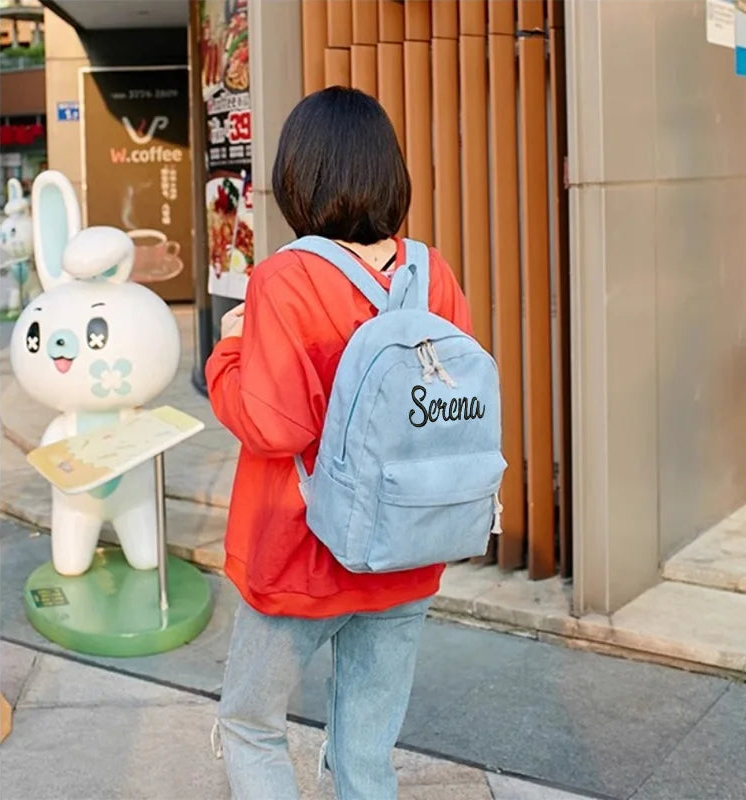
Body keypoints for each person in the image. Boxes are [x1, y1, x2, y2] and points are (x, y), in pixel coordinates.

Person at [205, 86, 473, 800]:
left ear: (299, 174)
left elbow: (275, 425)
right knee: (365, 748)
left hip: (303, 552)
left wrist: (226, 357)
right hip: (408, 545)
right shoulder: (432, 273)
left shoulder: (285, 278)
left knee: (251, 724)